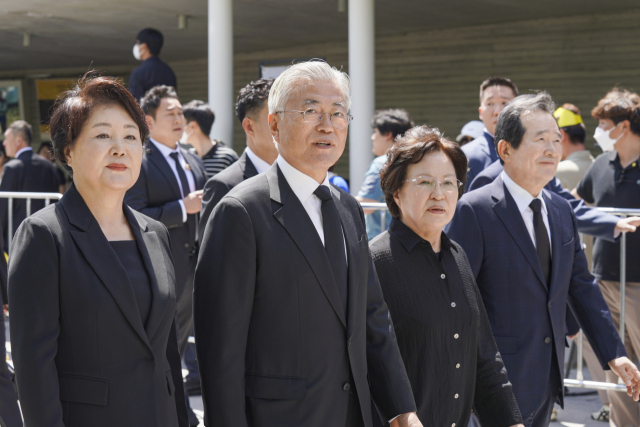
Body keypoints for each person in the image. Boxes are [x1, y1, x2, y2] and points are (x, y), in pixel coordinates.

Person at [194, 61, 421, 427]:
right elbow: (220, 350)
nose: (327, 125)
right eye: (311, 111)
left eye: (338, 113)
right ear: (274, 125)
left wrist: (401, 409)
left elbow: (372, 316)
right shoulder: (240, 212)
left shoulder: (348, 208)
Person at [446, 92, 640, 427]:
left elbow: (581, 286)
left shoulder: (560, 209)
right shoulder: (474, 210)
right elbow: (456, 301)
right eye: (540, 139)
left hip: (546, 378)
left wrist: (614, 353)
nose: (552, 149)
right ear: (505, 150)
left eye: (556, 139)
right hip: (494, 386)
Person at [8, 75, 188, 427]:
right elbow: (34, 368)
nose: (120, 148)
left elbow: (166, 351)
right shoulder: (44, 235)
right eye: (103, 135)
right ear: (68, 151)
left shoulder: (155, 233)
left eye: (131, 137)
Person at [371, 125, 523, 427]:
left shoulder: (457, 256)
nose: (439, 194)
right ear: (396, 191)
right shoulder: (375, 261)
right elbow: (369, 362)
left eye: (449, 183)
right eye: (425, 182)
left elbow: (484, 359)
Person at [574, 88, 640, 427]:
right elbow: (574, 202)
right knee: (617, 364)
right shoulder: (602, 164)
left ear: (624, 126)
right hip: (604, 281)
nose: (598, 131)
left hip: (638, 284)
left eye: (603, 124)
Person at [125, 85, 206, 357]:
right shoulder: (139, 160)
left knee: (181, 339)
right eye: (170, 113)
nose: (178, 119)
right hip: (160, 264)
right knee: (158, 343)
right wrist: (182, 208)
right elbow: (134, 214)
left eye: (180, 113)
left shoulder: (191, 157)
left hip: (194, 264)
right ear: (149, 122)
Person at [198, 78, 278, 242]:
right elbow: (214, 253)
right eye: (275, 118)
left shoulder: (297, 178)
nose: (286, 125)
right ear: (249, 127)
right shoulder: (223, 186)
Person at [1, 120, 60, 250]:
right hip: (48, 237)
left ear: (18, 141)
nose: (4, 143)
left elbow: (3, 209)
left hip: (17, 239)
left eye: (6, 138)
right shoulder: (50, 167)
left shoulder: (12, 168)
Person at [356, 109, 414, 240]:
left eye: (375, 132)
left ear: (387, 134)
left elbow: (367, 205)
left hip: (381, 241)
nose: (372, 137)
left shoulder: (381, 164)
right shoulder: (413, 161)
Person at [462, 77, 518, 190]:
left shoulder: (533, 150)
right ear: (480, 112)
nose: (497, 111)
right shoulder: (465, 156)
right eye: (490, 103)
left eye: (504, 103)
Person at [182, 100, 238, 178]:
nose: (179, 129)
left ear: (192, 126)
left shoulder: (227, 157)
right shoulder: (187, 157)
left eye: (182, 124)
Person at [129, 28, 177, 101]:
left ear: (144, 46)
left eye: (138, 43)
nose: (136, 46)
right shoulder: (169, 71)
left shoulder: (138, 73)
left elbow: (134, 103)